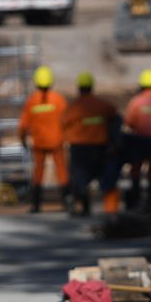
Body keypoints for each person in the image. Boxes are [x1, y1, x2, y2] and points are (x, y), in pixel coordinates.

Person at [60, 71, 117, 216]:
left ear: (79, 88)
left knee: (80, 178)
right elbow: (114, 116)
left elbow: (63, 123)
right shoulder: (102, 105)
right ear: (92, 87)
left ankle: (84, 207)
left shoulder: (74, 107)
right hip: (99, 146)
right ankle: (111, 209)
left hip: (79, 148)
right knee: (104, 176)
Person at [18, 66, 70, 214]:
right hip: (57, 141)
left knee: (38, 172)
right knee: (61, 171)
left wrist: (22, 138)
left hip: (39, 142)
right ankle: (67, 202)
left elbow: (23, 124)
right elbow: (67, 120)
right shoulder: (58, 99)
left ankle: (36, 205)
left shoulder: (32, 100)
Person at [117, 69, 151, 208]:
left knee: (136, 167)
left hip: (139, 140)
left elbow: (129, 122)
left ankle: (135, 197)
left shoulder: (137, 101)